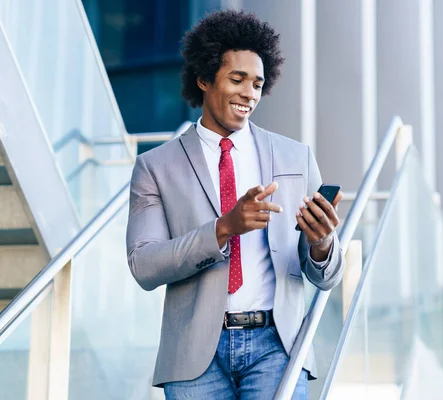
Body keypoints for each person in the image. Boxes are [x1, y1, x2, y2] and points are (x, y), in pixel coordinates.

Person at [126, 10, 345, 400]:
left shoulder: (295, 158)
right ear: (204, 79)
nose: (249, 93)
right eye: (237, 79)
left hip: (277, 347)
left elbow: (326, 276)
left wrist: (322, 244)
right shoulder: (155, 167)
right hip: (194, 357)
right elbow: (144, 265)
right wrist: (222, 228)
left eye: (257, 83)